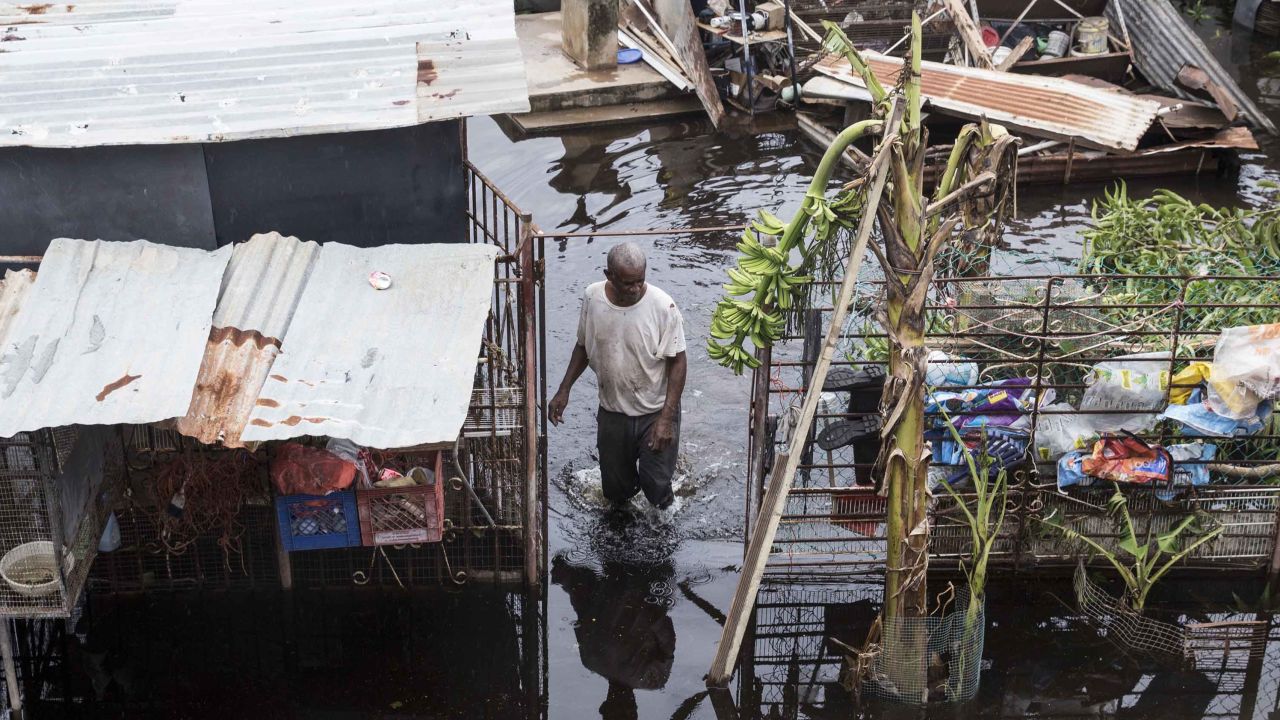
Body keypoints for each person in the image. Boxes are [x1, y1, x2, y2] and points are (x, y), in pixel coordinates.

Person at [549, 242, 687, 510]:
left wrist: (667, 418)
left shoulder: (663, 307)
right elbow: (583, 346)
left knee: (656, 486)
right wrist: (564, 389)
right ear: (609, 275)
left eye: (640, 281)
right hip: (613, 411)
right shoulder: (592, 298)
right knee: (615, 492)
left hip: (654, 411)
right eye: (627, 283)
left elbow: (679, 361)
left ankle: (665, 529)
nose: (635, 289)